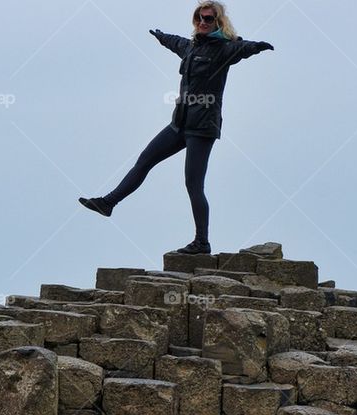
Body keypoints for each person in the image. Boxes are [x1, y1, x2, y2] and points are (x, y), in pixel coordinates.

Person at [78, 1, 274, 255]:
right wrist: (161, 37)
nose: (203, 22)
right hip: (179, 123)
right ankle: (108, 203)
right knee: (144, 161)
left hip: (203, 127)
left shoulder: (224, 49)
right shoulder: (191, 47)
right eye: (199, 18)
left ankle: (202, 242)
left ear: (218, 22)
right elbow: (175, 42)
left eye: (208, 18)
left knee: (193, 184)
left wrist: (257, 47)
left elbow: (243, 49)